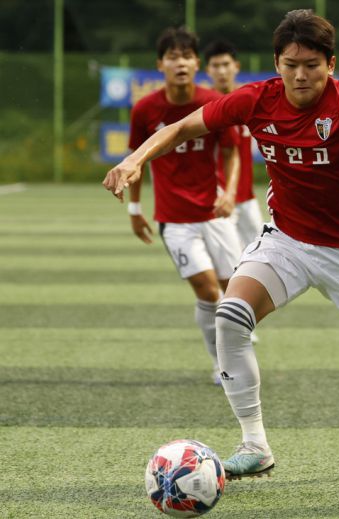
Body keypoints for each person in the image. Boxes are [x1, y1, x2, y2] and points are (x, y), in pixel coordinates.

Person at [103, 10, 339, 479]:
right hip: (285, 240)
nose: (300, 74)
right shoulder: (256, 99)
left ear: (330, 64)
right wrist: (135, 159)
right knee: (230, 315)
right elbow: (182, 128)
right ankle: (255, 444)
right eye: (290, 64)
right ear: (276, 63)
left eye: (311, 64)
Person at [125, 27, 242, 386]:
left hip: (214, 213)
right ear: (160, 64)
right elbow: (136, 159)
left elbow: (233, 149)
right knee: (209, 292)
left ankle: (235, 356)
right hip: (175, 220)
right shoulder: (145, 109)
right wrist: (135, 209)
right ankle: (222, 364)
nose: (181, 63)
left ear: (196, 63)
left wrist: (231, 192)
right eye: (173, 56)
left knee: (235, 294)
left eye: (187, 56)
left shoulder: (212, 102)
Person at [203, 39, 265, 247]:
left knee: (264, 257)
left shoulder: (250, 102)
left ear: (236, 66)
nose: (221, 71)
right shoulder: (204, 107)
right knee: (228, 266)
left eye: (226, 64)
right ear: (207, 70)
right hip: (216, 198)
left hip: (247, 198)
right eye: (215, 66)